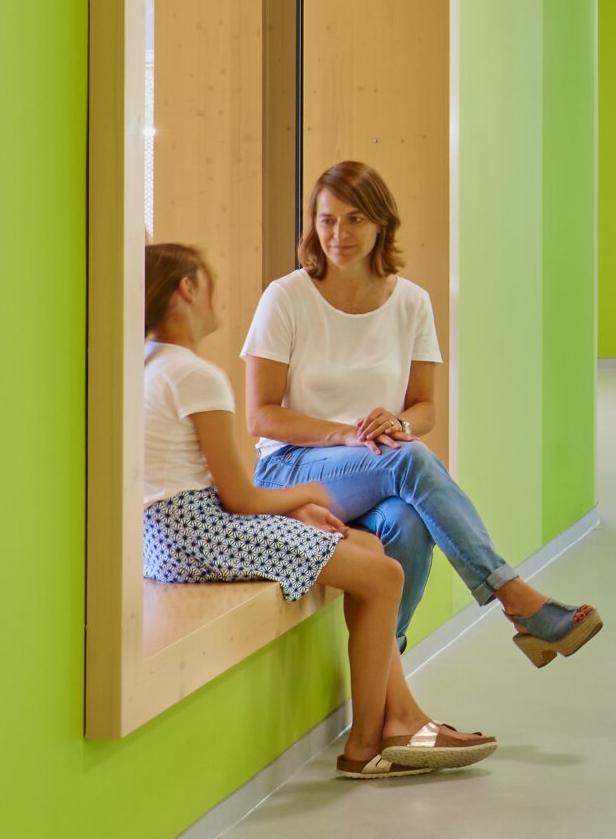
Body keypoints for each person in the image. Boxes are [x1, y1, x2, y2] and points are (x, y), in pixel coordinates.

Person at [143, 242, 493, 782]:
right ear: (187, 289)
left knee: (368, 545)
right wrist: (307, 498)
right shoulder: (196, 375)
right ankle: (365, 745)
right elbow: (240, 499)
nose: (218, 297)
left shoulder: (148, 364)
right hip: (197, 534)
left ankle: (401, 716)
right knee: (383, 577)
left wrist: (292, 510)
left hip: (167, 535)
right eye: (209, 282)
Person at [248, 160, 602, 669]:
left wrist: (401, 425)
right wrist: (346, 434)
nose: (338, 233)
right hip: (291, 469)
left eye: (354, 219)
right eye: (327, 220)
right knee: (407, 458)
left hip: (376, 469)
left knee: (409, 524)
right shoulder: (286, 297)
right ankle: (516, 598)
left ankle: (383, 671)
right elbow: (261, 418)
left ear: (381, 223)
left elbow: (424, 407)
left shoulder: (411, 302)